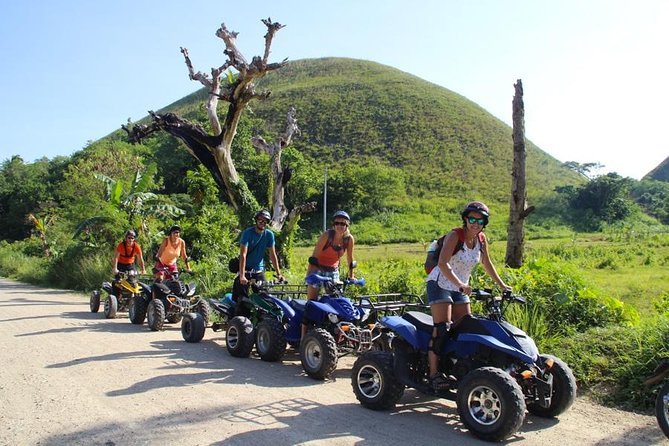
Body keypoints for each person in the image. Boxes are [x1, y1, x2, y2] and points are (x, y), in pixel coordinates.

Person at [425, 201, 511, 390]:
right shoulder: (455, 235)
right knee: (442, 328)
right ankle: (433, 374)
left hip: (460, 288)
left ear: (484, 223)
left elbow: (487, 263)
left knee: (466, 326)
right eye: (472, 219)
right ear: (465, 219)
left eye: (480, 220)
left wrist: (503, 285)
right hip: (440, 283)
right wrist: (461, 285)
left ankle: (456, 366)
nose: (475, 223)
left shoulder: (481, 239)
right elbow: (443, 263)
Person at [302, 210, 356, 337]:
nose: (340, 226)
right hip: (318, 269)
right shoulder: (327, 235)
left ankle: (334, 334)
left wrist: (351, 275)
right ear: (333, 224)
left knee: (335, 302)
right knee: (311, 303)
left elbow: (350, 259)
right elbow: (314, 256)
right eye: (337, 223)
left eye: (343, 224)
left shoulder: (349, 239)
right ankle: (303, 336)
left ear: (347, 225)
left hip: (333, 272)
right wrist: (310, 275)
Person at [232, 209, 284, 304]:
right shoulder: (247, 233)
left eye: (265, 221)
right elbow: (243, 254)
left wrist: (279, 273)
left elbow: (272, 255)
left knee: (265, 298)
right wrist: (242, 275)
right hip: (246, 270)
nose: (262, 223)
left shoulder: (269, 235)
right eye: (260, 220)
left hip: (258, 271)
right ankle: (238, 316)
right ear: (256, 220)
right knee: (242, 300)